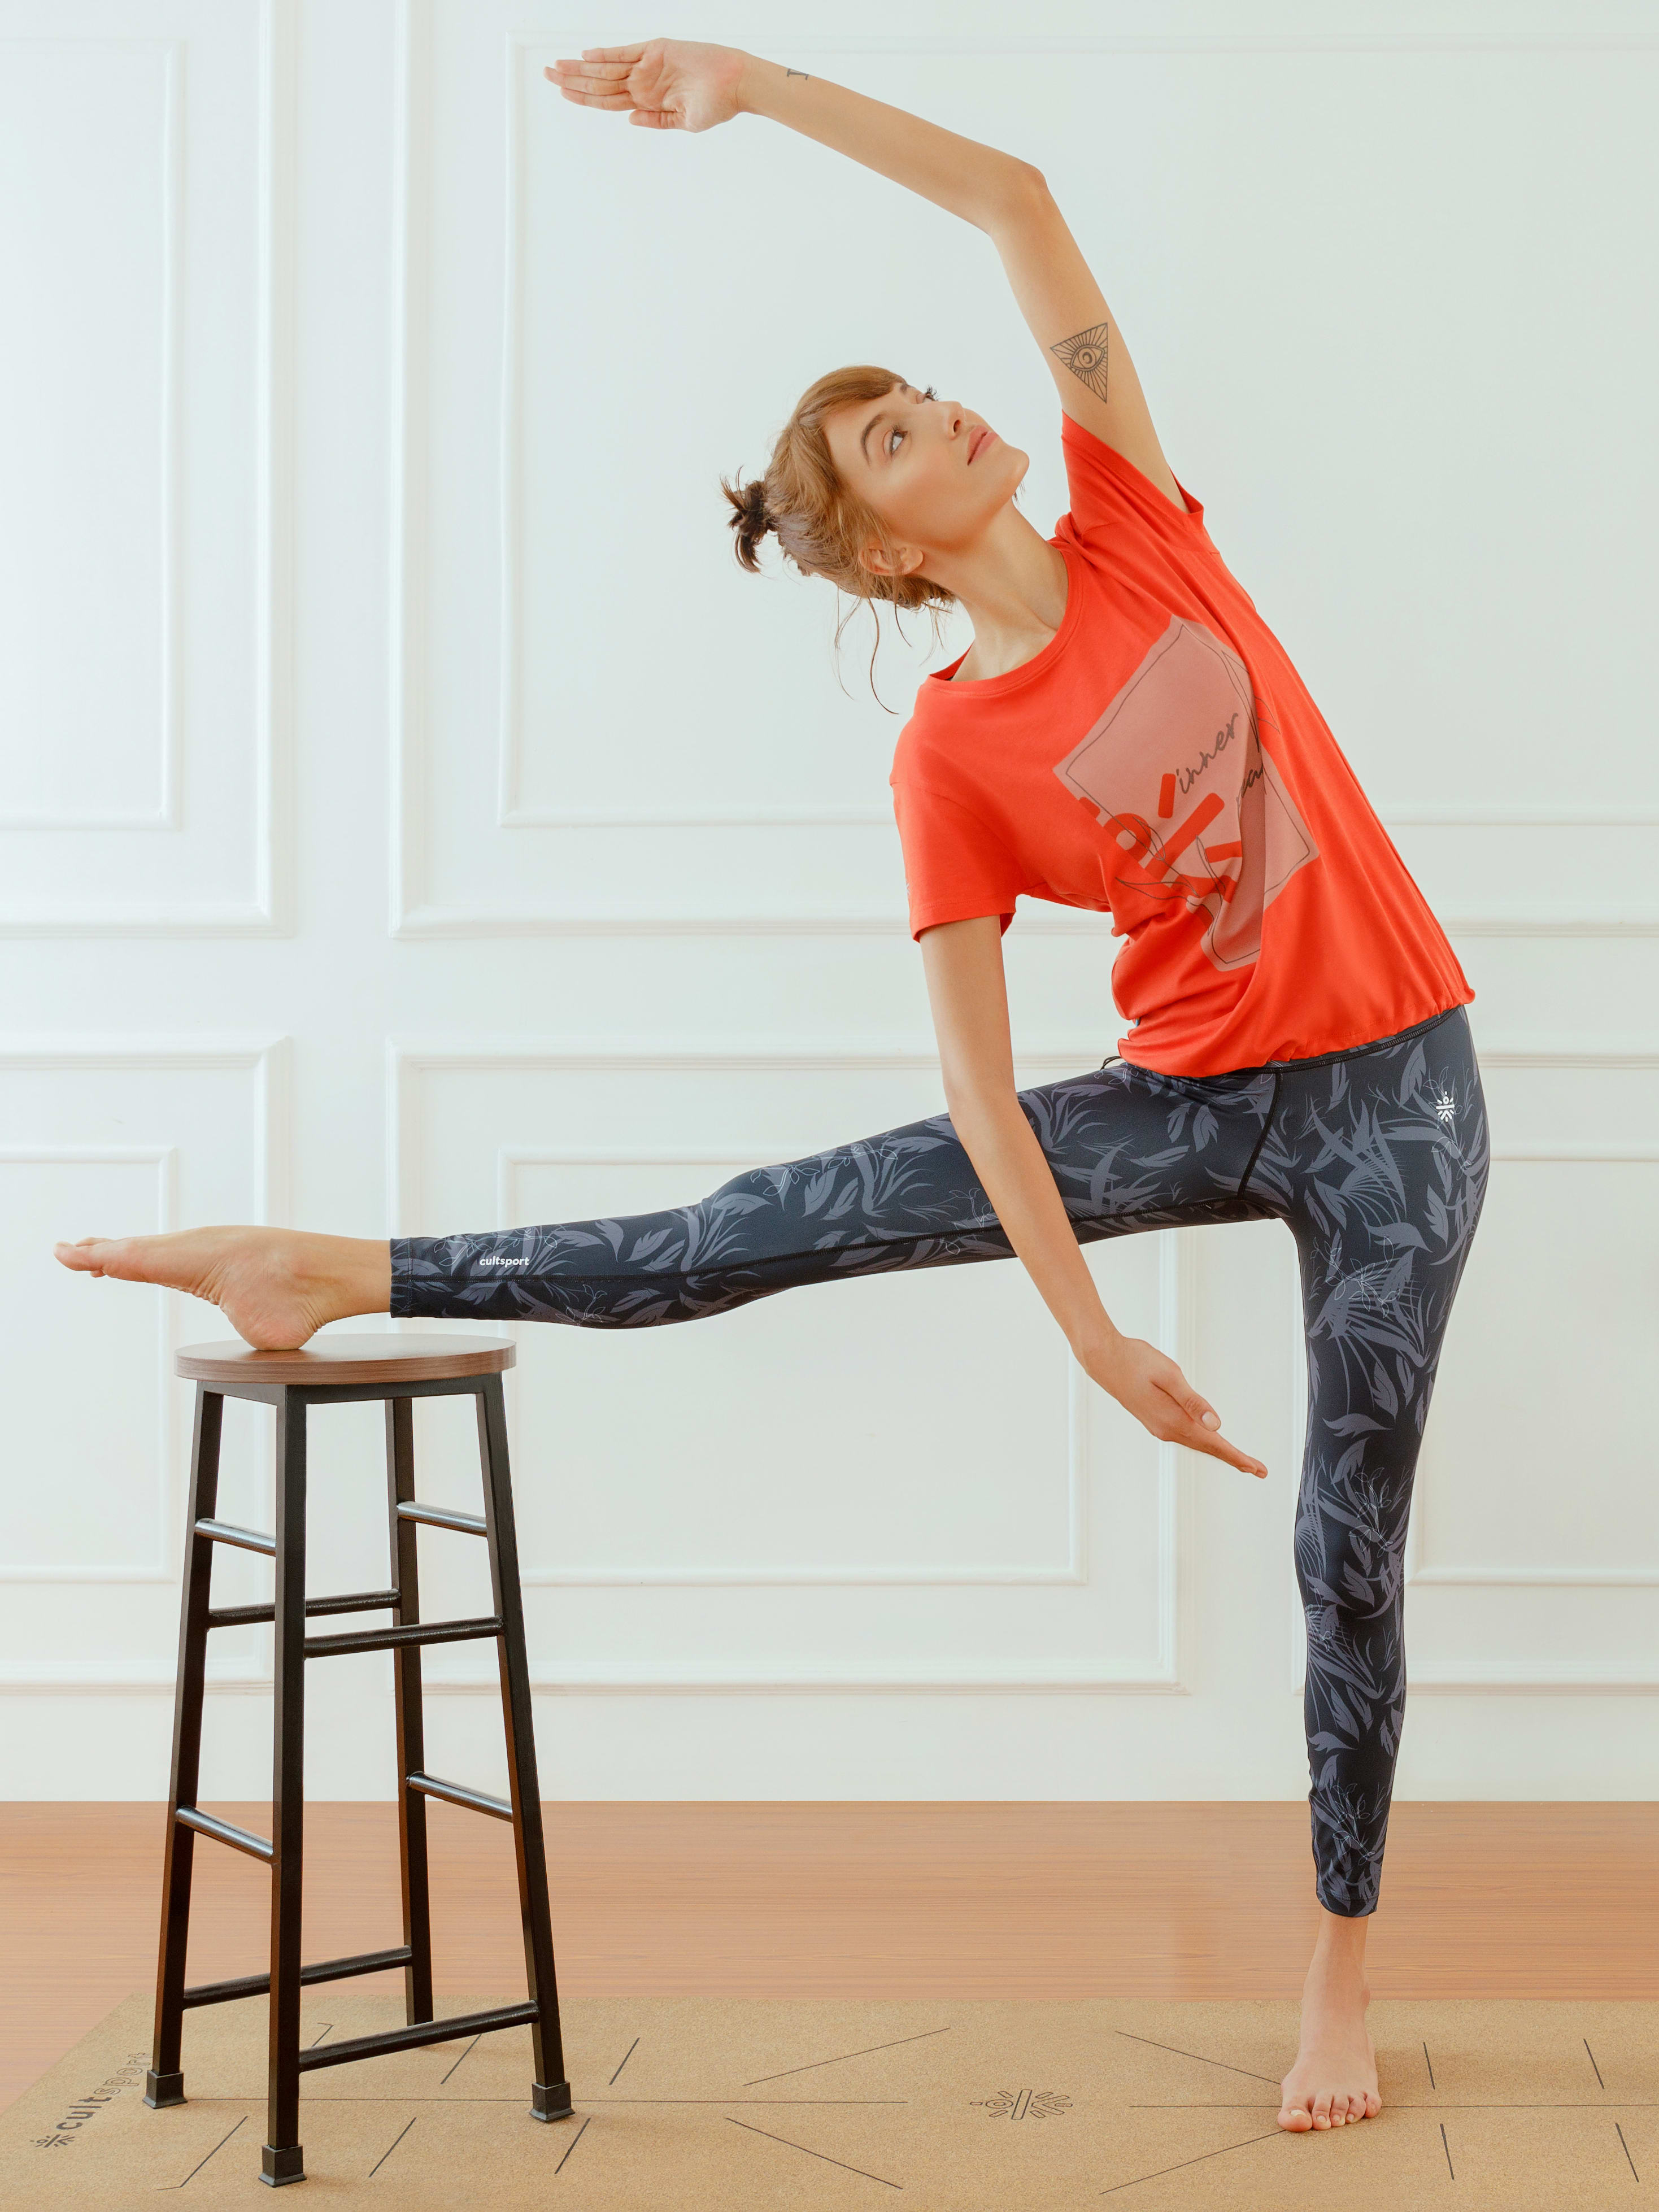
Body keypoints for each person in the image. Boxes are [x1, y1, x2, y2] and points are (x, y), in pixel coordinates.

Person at [55, 40, 1490, 2135]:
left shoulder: (1135, 523)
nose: (947, 415)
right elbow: (980, 1099)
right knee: (757, 1228)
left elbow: (1011, 196)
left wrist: (746, 84)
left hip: (1398, 1096)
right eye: (894, 435)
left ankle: (1336, 1970)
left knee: (1344, 1537)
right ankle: (327, 1264)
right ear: (886, 551)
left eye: (920, 395)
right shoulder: (947, 758)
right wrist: (1088, 1335)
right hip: (1192, 1096)